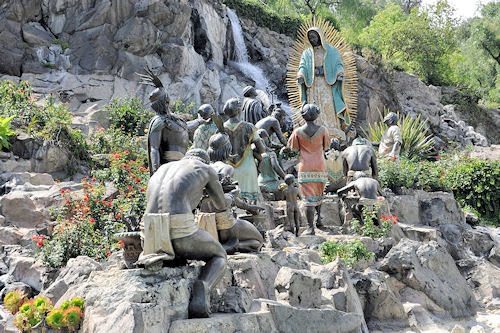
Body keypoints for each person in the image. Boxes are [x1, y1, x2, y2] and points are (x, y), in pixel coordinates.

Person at [137, 149, 228, 318]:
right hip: (179, 231)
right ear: (205, 160)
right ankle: (204, 287)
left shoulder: (164, 168)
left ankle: (172, 257)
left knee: (179, 250)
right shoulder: (206, 169)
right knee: (220, 255)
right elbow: (221, 205)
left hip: (149, 233)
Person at [204, 133, 264, 253]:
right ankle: (230, 246)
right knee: (258, 242)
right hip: (224, 223)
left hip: (204, 221)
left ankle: (222, 245)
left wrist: (248, 206)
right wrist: (249, 207)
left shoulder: (204, 167)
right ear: (227, 149)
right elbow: (223, 197)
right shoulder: (226, 168)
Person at [138, 68, 205, 175]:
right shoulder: (159, 121)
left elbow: (186, 127)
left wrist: (199, 121)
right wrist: (156, 172)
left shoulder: (173, 118)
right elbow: (154, 148)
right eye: (166, 97)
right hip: (170, 163)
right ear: (164, 101)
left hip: (184, 159)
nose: (169, 99)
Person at [297, 27, 351, 135]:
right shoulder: (307, 53)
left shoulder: (331, 51)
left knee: (328, 105)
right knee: (313, 105)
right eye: (310, 37)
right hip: (312, 84)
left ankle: (331, 127)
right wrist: (301, 74)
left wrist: (339, 72)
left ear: (319, 36)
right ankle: (315, 127)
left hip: (326, 84)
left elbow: (338, 63)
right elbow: (302, 65)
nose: (312, 39)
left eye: (314, 37)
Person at [287, 103, 330, 235]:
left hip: (305, 167)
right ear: (317, 115)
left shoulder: (298, 132)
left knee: (308, 199)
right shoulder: (323, 130)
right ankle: (319, 220)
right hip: (319, 165)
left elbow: (292, 148)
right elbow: (326, 147)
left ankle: (310, 228)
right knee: (319, 192)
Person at [223, 97, 265, 203]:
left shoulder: (221, 128)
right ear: (238, 111)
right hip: (247, 167)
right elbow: (261, 149)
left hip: (228, 170)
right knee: (251, 200)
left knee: (232, 199)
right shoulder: (249, 127)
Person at [256, 129, 286, 199]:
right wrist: (285, 177)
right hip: (273, 184)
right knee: (290, 187)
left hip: (259, 183)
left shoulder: (255, 154)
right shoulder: (271, 154)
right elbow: (275, 166)